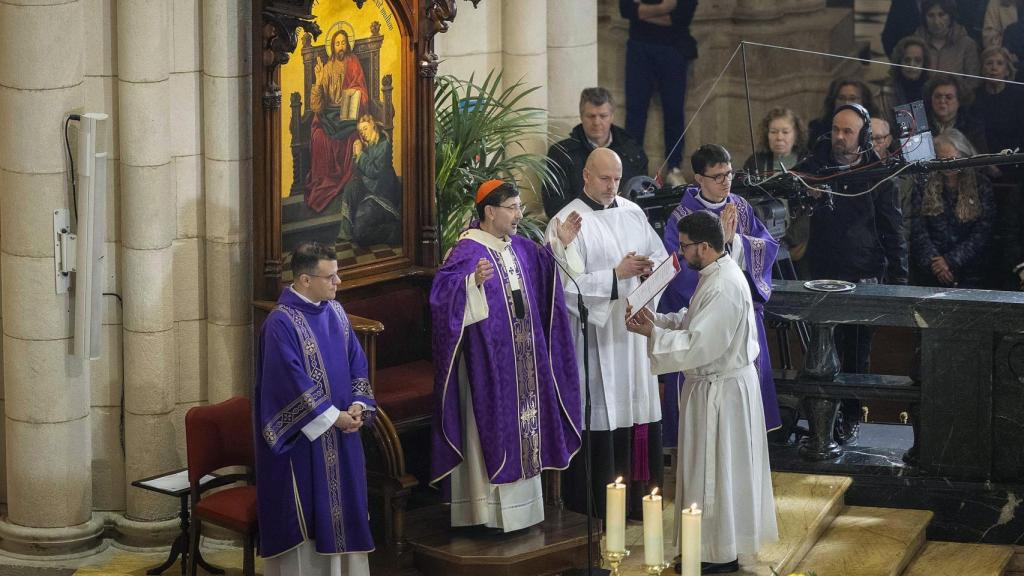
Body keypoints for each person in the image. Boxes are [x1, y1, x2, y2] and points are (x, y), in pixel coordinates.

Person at [626, 211, 778, 576]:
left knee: (718, 473)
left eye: (685, 246)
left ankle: (717, 551)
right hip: (715, 390)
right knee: (713, 471)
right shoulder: (714, 275)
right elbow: (693, 319)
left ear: (705, 247)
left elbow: (701, 344)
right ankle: (710, 547)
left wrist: (652, 335)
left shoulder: (724, 285)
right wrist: (658, 321)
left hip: (721, 394)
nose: (681, 253)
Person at [430, 179, 583, 532]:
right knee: (491, 432)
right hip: (487, 368)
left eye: (519, 207)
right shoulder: (466, 252)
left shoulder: (521, 248)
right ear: (490, 211)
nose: (518, 215)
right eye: (512, 208)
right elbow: (441, 299)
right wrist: (471, 284)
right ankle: (484, 514)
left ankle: (524, 513)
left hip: (525, 362)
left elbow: (546, 270)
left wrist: (560, 244)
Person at [547, 147, 667, 520]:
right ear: (586, 175)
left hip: (633, 332)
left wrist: (649, 274)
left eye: (616, 178)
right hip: (597, 339)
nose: (612, 186)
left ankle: (637, 505)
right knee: (603, 410)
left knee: (638, 409)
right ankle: (598, 509)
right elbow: (565, 289)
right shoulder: (565, 221)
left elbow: (660, 257)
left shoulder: (633, 211)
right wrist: (617, 276)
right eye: (604, 178)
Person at [255, 241, 376, 576]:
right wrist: (334, 418)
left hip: (344, 433)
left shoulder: (336, 312)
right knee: (311, 516)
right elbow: (288, 382)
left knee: (346, 510)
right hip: (305, 444)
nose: (338, 282)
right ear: (305, 280)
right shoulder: (281, 323)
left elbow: (357, 361)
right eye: (330, 277)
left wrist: (358, 405)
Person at [659, 144, 781, 455]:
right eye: (717, 177)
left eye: (729, 174)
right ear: (699, 179)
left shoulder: (740, 207)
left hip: (740, 315)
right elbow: (678, 268)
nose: (726, 182)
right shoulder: (682, 217)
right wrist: (723, 247)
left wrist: (735, 241)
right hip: (706, 317)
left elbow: (766, 245)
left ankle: (746, 446)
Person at [797, 103, 908, 442]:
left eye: (848, 131)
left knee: (855, 355)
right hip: (820, 275)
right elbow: (789, 185)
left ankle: (850, 416)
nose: (839, 137)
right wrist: (804, 190)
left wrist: (899, 284)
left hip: (863, 276)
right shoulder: (816, 163)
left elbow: (894, 232)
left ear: (863, 137)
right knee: (818, 352)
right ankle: (818, 419)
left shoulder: (879, 176)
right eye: (835, 129)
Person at [543, 87, 648, 218]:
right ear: (581, 116)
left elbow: (643, 196)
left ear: (612, 116)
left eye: (603, 116)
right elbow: (554, 205)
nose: (597, 122)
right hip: (579, 224)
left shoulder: (632, 151)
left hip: (624, 222)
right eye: (591, 116)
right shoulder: (561, 153)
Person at [619, 0, 699, 173]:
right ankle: (633, 169)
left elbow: (681, 17)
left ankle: (674, 168)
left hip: (674, 49)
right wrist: (664, 8)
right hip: (639, 47)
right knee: (635, 113)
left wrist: (643, 12)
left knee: (674, 113)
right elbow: (626, 9)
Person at [910, 129, 996, 288]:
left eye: (953, 159)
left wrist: (950, 260)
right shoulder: (923, 185)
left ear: (963, 156)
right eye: (942, 160)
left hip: (971, 268)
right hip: (931, 268)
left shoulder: (981, 185)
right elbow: (918, 229)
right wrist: (936, 265)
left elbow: (983, 232)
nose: (948, 165)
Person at [306, 26, 370, 214]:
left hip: (348, 114)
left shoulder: (353, 63)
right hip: (329, 115)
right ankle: (325, 181)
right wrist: (319, 81)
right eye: (337, 43)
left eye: (343, 43)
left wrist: (354, 95)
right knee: (319, 137)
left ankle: (350, 184)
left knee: (352, 137)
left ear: (347, 44)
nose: (340, 46)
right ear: (332, 47)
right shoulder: (326, 68)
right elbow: (316, 107)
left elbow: (362, 90)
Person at [340, 114, 402, 246]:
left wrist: (361, 154)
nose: (362, 133)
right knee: (350, 187)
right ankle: (346, 232)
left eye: (365, 128)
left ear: (373, 126)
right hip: (370, 194)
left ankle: (394, 230)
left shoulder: (384, 145)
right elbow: (356, 173)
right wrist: (355, 155)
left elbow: (374, 172)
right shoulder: (367, 146)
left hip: (383, 198)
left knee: (360, 234)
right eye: (360, 130)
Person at [914, 0, 980, 88]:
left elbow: (973, 81)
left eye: (941, 15)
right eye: (930, 15)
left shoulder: (967, 44)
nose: (936, 21)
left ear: (950, 16)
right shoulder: (915, 42)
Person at [807, 79, 879, 146]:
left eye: (852, 98)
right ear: (833, 101)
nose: (846, 103)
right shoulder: (819, 128)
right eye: (841, 98)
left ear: (864, 101)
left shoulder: (875, 127)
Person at [878, 36, 932, 125]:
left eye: (917, 60)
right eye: (907, 60)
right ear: (899, 62)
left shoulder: (931, 90)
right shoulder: (887, 91)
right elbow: (884, 126)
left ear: (924, 64)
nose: (912, 65)